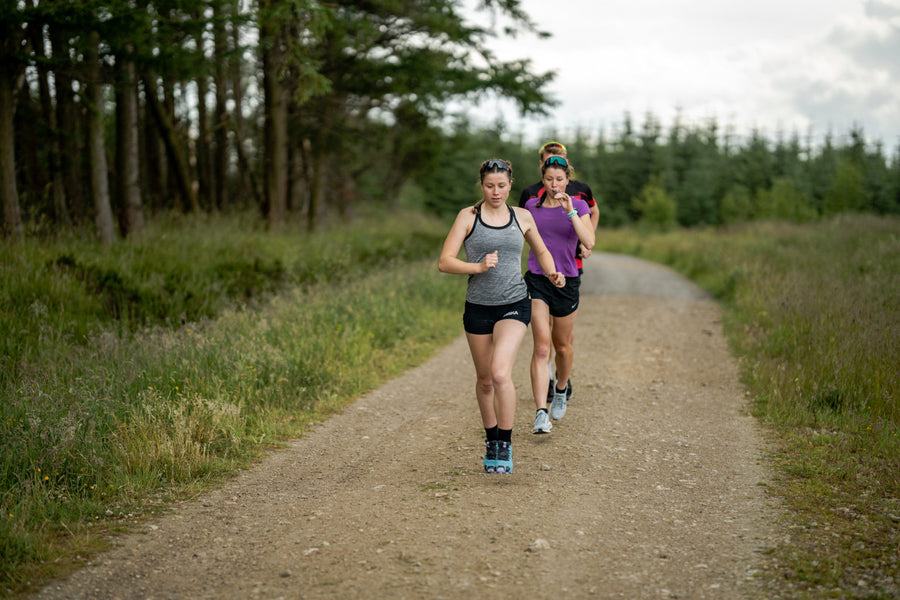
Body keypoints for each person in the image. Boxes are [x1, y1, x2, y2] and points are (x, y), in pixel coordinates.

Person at [439, 159, 564, 474]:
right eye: (489, 186)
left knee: (499, 373)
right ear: (481, 186)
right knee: (484, 381)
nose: (496, 192)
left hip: (514, 302)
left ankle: (505, 444)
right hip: (478, 306)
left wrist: (552, 272)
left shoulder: (522, 216)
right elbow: (445, 261)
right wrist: (477, 267)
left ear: (510, 185)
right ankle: (491, 439)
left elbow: (541, 250)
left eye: (502, 186)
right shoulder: (468, 216)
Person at [518, 141, 599, 404]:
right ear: (543, 178)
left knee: (562, 344)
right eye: (550, 179)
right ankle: (542, 405)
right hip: (537, 278)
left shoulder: (579, 203)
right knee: (542, 345)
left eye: (560, 180)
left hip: (569, 277)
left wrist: (570, 211)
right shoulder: (531, 204)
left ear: (567, 180)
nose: (554, 185)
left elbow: (589, 241)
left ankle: (562, 386)